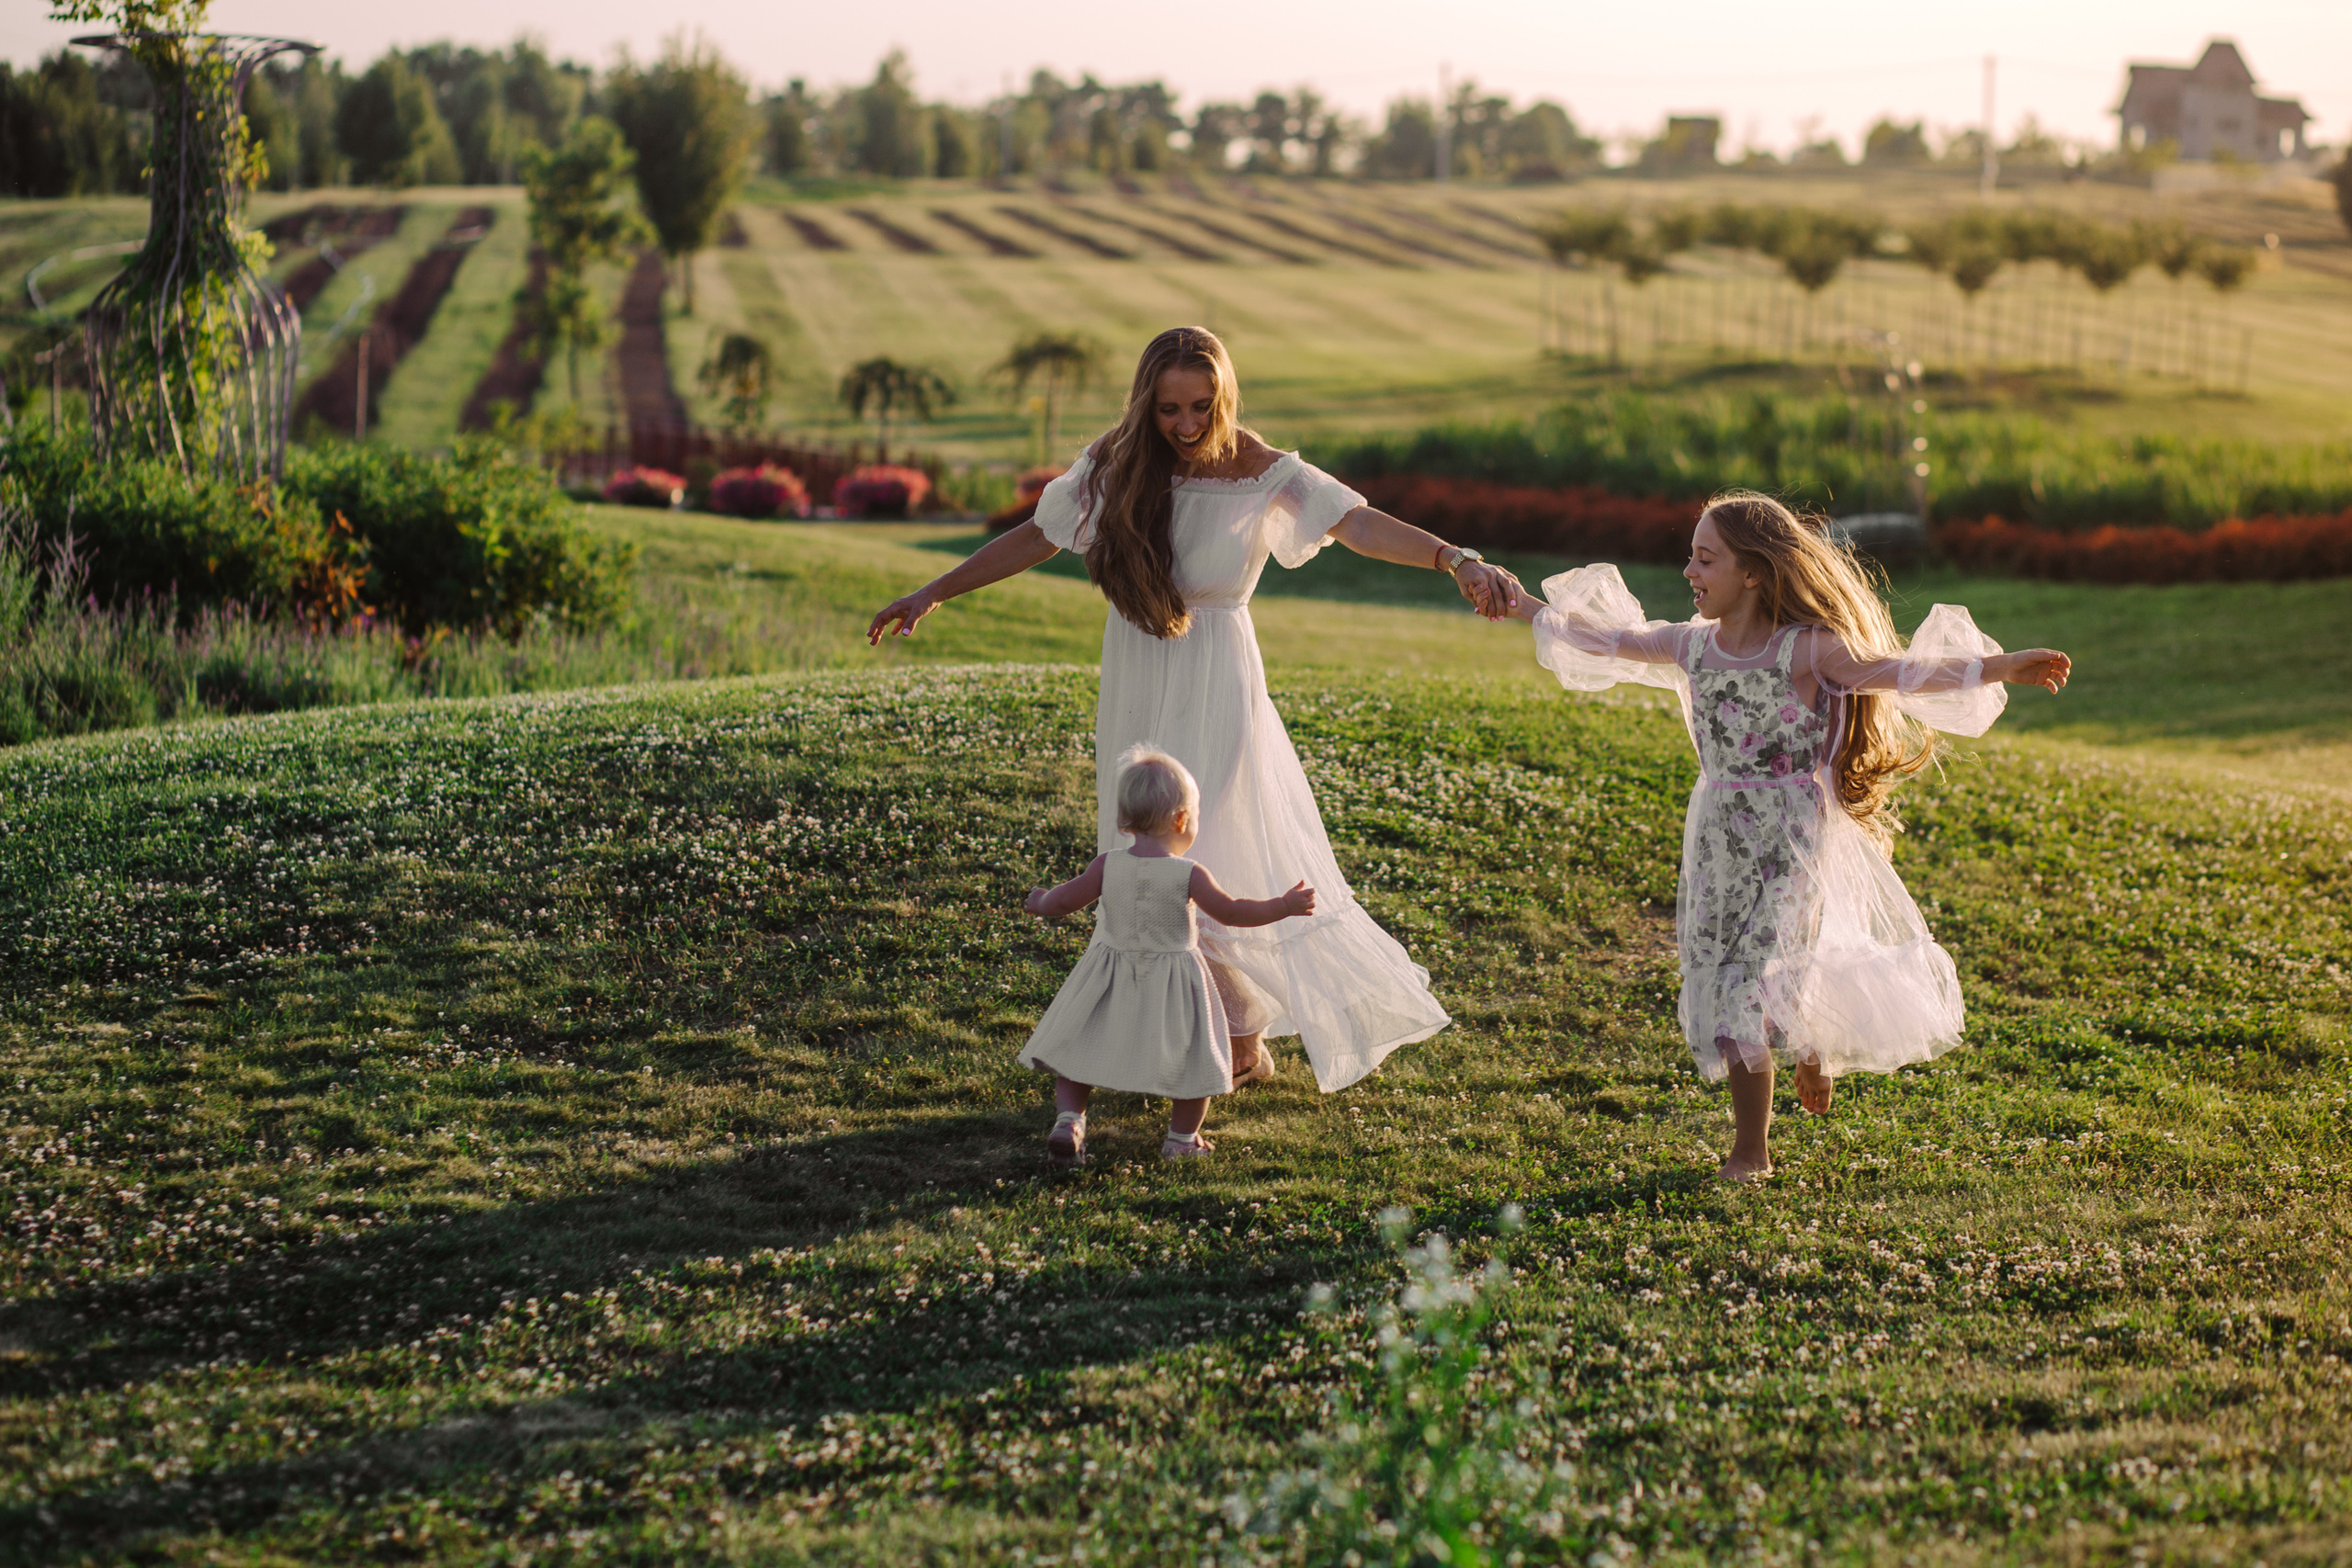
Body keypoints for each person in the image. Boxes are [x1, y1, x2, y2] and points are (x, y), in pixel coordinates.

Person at [870, 325, 1503, 1092]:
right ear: (1147, 402)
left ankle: (1235, 1033)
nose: (1187, 424)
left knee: (1212, 848)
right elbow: (1037, 539)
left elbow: (1358, 522)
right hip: (1137, 667)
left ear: (1225, 395)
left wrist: (1452, 558)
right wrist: (933, 589)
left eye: (1202, 405)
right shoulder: (1116, 462)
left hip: (1218, 671)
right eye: (1169, 408)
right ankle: (1221, 1036)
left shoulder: (1261, 468)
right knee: (1142, 853)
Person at [1495, 491, 2072, 1182]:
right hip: (1716, 840)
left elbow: (1898, 672)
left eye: (1705, 558)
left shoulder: (1809, 650)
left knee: (1746, 990)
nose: (1689, 570)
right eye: (1690, 556)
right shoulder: (1690, 644)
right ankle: (1808, 1042)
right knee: (1726, 978)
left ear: (1755, 574)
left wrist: (2000, 665)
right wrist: (1521, 602)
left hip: (1792, 844)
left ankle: (1751, 1151)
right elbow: (1602, 639)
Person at [1020, 746, 1317, 1164]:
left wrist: (1041, 902)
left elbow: (1066, 900)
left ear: (1124, 821)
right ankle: (1181, 1140)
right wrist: (1281, 907)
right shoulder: (1189, 873)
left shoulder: (1107, 865)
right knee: (1194, 1061)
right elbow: (1232, 912)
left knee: (1079, 1049)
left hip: (1110, 972)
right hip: (1174, 980)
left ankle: (1069, 1120)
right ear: (1182, 820)